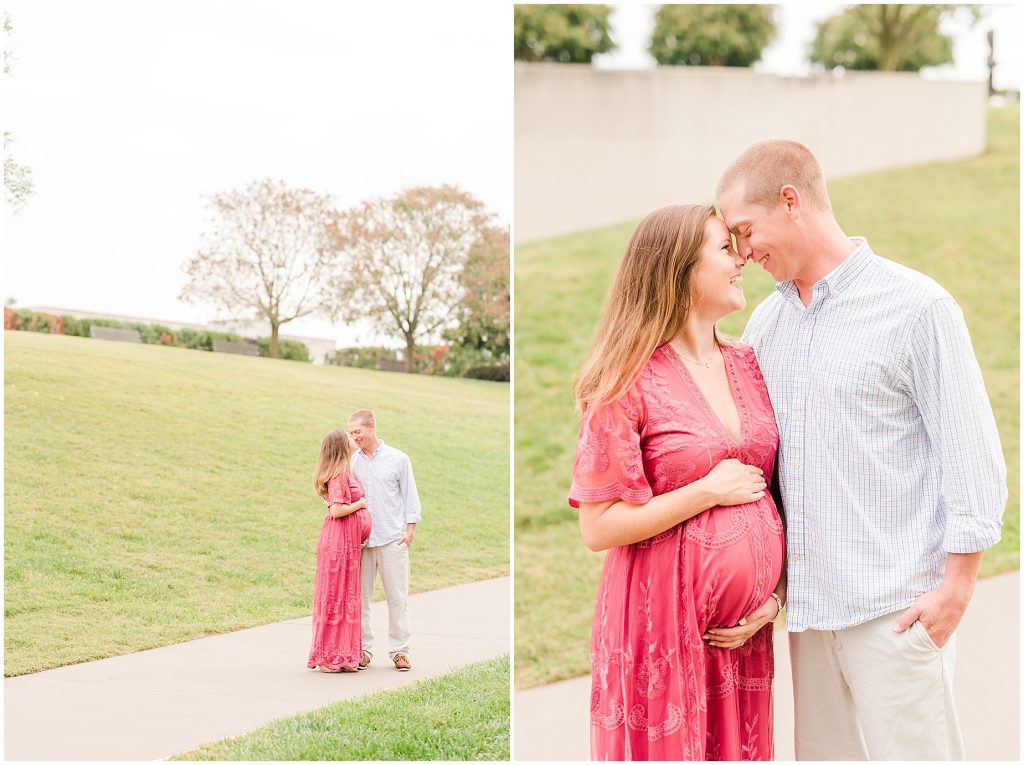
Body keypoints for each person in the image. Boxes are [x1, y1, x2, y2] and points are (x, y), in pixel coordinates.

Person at [716, 138, 1007, 760]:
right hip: (810, 616)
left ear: (791, 201)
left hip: (898, 611)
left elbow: (972, 455)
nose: (742, 252)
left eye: (745, 229)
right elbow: (764, 470)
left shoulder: (917, 307)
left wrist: (957, 588)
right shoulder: (766, 325)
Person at [569, 204, 787, 760]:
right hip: (660, 624)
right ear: (679, 269)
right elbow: (598, 527)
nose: (741, 259)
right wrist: (705, 492)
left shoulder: (747, 363)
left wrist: (775, 598)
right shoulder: (625, 381)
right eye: (723, 249)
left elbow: (778, 494)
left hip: (741, 637)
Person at [348, 409, 422, 672]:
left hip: (392, 539)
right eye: (351, 433)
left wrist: (410, 528)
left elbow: (410, 494)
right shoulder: (352, 462)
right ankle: (363, 650)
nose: (354, 437)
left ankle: (400, 651)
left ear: (371, 427)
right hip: (363, 543)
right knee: (361, 598)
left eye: (358, 431)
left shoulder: (398, 459)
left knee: (397, 597)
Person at [307, 428, 372, 673]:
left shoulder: (346, 470)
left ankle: (342, 654)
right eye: (348, 436)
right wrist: (361, 504)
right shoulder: (338, 475)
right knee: (336, 597)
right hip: (338, 542)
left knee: (345, 597)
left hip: (348, 542)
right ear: (341, 446)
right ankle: (329, 656)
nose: (352, 438)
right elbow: (336, 510)